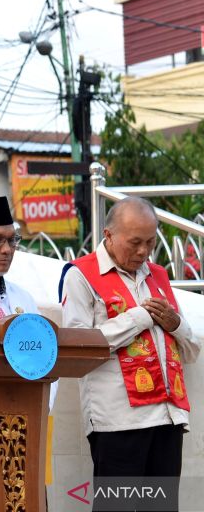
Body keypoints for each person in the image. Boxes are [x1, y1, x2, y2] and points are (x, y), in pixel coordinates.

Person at [61, 196, 199, 506]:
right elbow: (77, 347)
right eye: (135, 242)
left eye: (150, 242)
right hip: (119, 421)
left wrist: (175, 324)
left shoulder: (158, 276)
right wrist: (138, 318)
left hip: (167, 417)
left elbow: (191, 350)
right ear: (109, 235)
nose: (142, 251)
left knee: (162, 507)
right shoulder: (81, 275)